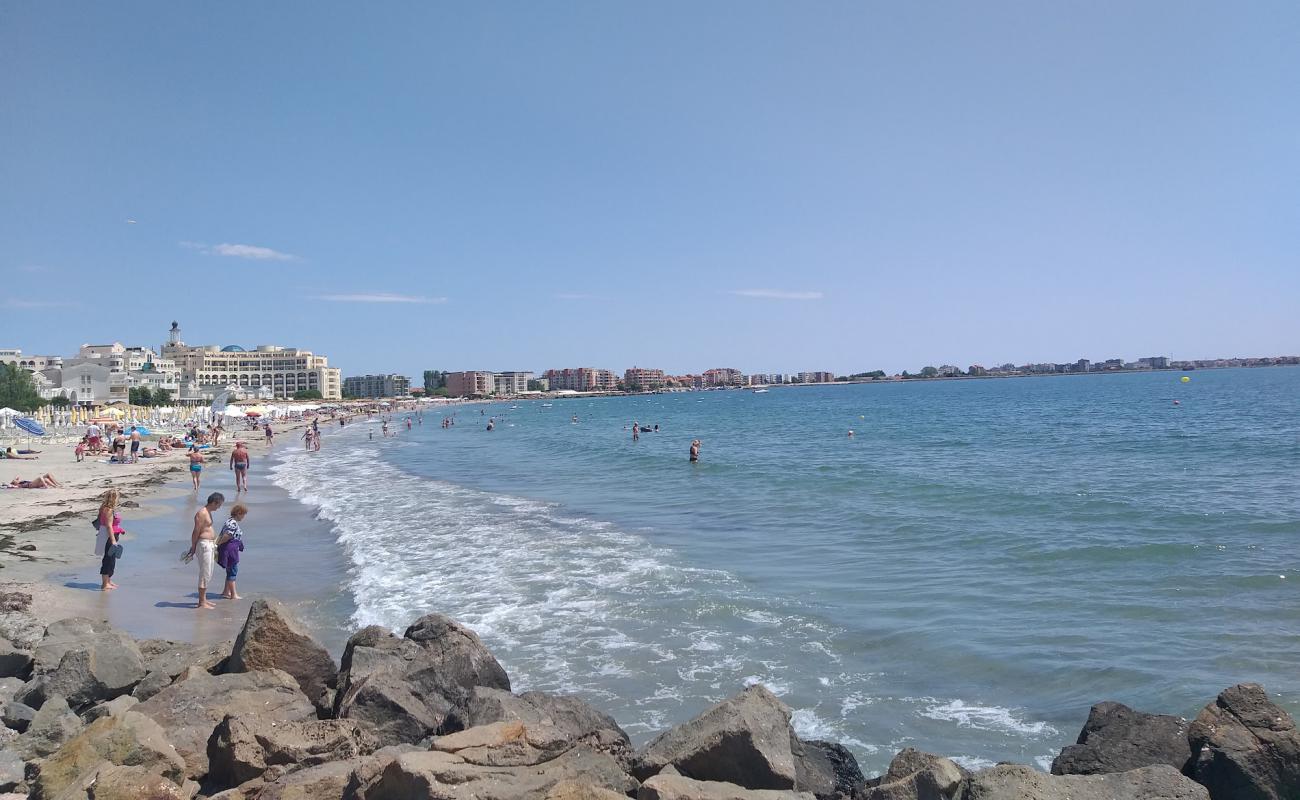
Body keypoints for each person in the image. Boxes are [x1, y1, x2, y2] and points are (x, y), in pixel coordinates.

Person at [186, 492, 224, 609]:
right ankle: (201, 602)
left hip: (209, 545)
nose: (219, 507)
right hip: (203, 545)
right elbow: (195, 531)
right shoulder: (202, 513)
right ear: (214, 502)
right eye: (219, 505)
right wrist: (193, 548)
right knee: (205, 573)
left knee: (208, 573)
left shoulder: (208, 512)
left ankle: (204, 600)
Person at [95, 489, 124, 591]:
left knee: (112, 559)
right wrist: (113, 541)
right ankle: (104, 584)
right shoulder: (108, 510)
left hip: (114, 535)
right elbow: (108, 526)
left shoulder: (110, 508)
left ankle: (108, 581)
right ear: (114, 498)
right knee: (108, 559)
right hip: (109, 536)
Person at [216, 503, 247, 600]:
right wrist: (219, 543)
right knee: (233, 571)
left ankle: (226, 591)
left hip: (229, 549)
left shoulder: (229, 521)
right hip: (230, 550)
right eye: (243, 515)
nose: (243, 517)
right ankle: (233, 594)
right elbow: (227, 535)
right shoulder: (232, 523)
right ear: (238, 513)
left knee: (230, 570)